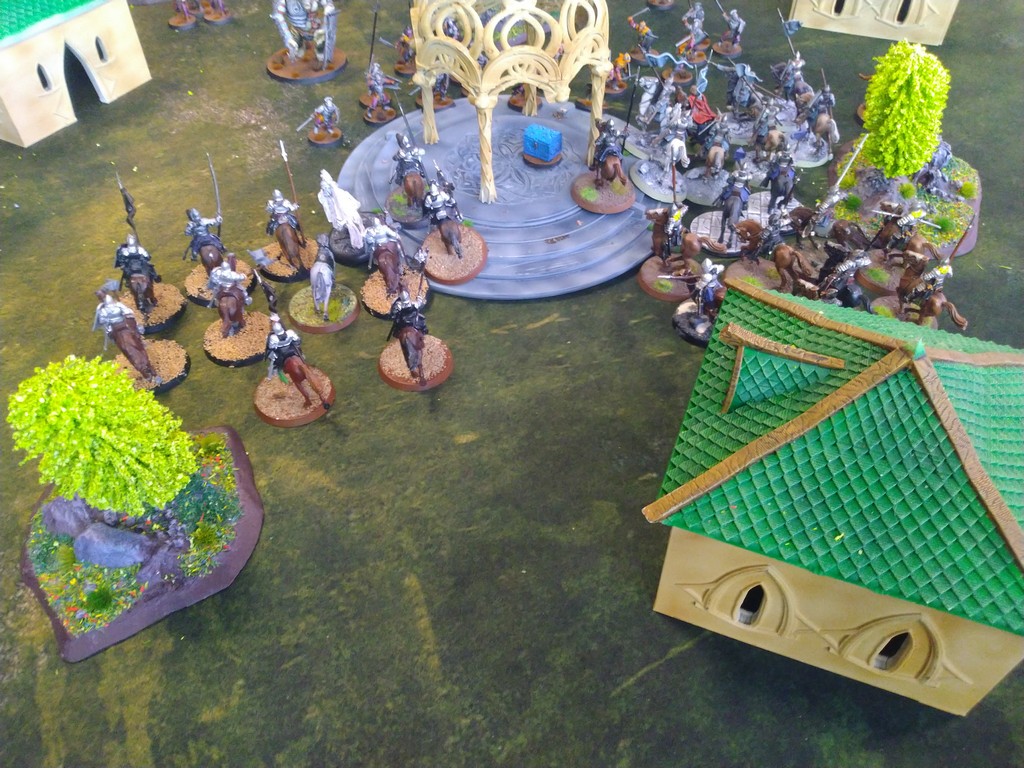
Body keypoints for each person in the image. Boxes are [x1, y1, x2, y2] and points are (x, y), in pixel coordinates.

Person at [318, 170, 364, 249]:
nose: (325, 190)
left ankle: (357, 241)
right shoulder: (326, 197)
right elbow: (327, 206)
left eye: (326, 188)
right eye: (323, 189)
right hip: (337, 216)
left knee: (352, 226)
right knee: (342, 227)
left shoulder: (339, 194)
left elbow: (345, 207)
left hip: (347, 215)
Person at [265, 314, 305, 379]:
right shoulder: (290, 332)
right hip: (291, 349)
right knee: (299, 351)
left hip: (281, 352)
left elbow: (271, 347)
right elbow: (297, 340)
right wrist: (293, 343)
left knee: (272, 359)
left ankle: (274, 372)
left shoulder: (273, 337)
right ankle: (302, 356)